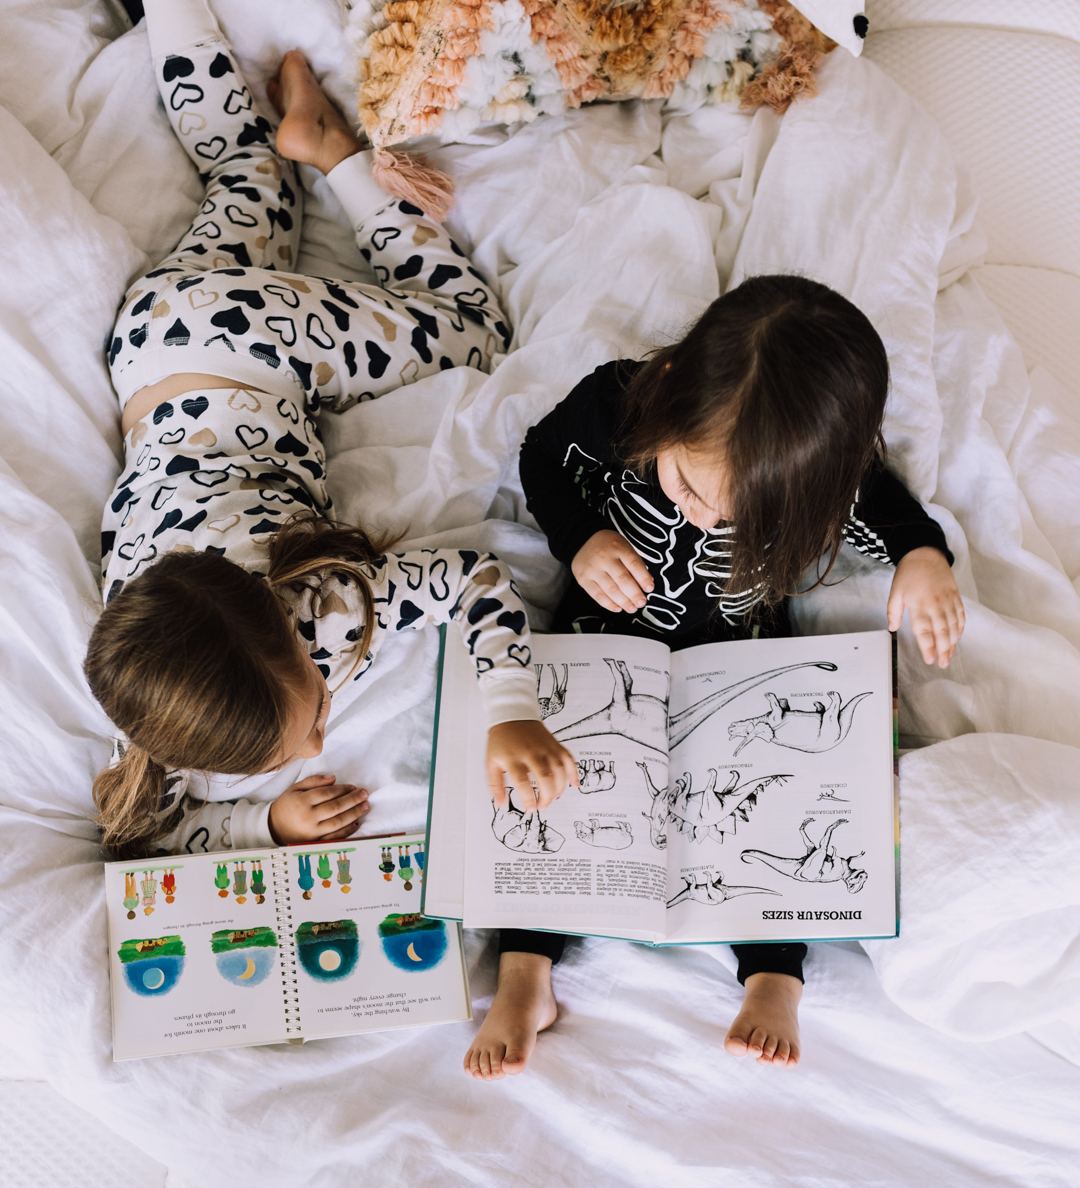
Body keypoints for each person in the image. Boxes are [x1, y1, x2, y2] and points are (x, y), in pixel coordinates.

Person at [85, 0, 577, 865]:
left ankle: (347, 162)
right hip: (153, 339)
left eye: (312, 711)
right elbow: (142, 829)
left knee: (475, 333)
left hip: (252, 343)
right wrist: (260, 824)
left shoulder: (326, 606)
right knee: (250, 172)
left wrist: (511, 707)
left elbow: (475, 577)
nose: (316, 746)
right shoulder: (148, 673)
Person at [463, 275, 965, 1079]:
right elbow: (543, 460)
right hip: (605, 633)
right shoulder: (624, 402)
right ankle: (527, 971)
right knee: (556, 788)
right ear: (668, 399)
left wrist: (924, 557)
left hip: (738, 652)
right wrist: (583, 537)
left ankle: (772, 974)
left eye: (740, 515)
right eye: (692, 487)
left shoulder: (821, 475)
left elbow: (890, 509)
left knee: (773, 798)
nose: (707, 517)